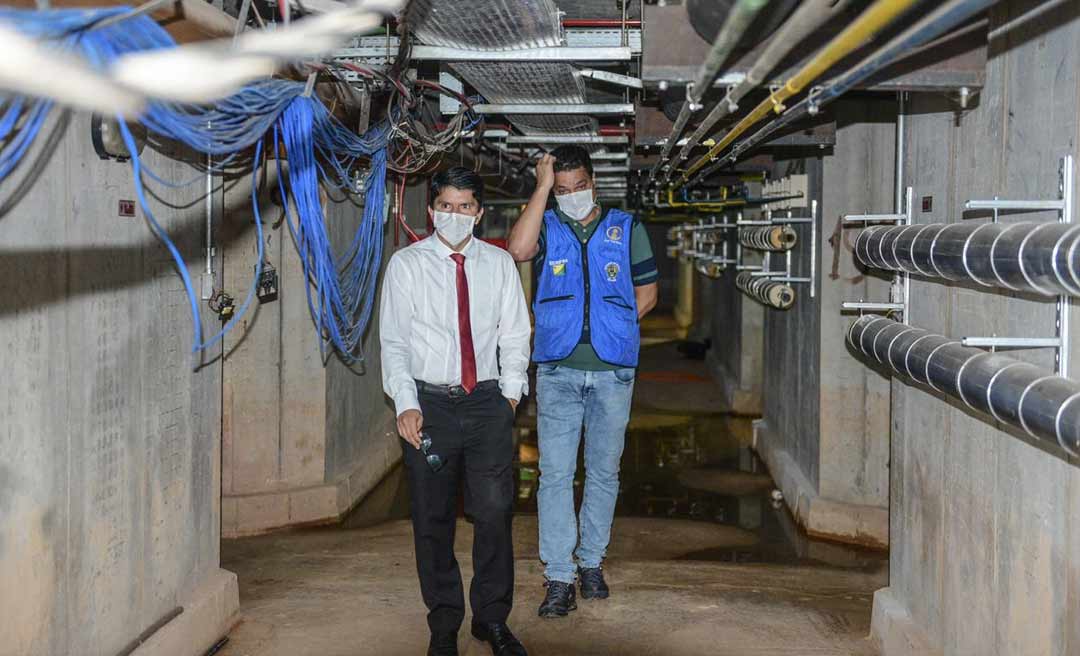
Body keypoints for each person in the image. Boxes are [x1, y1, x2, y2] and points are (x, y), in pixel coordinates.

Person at [380, 166, 531, 656]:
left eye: (465, 206)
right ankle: (444, 623)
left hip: (488, 403)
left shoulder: (499, 264)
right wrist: (405, 402)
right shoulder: (407, 266)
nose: (455, 215)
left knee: (493, 513)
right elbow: (394, 342)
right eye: (445, 205)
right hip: (431, 406)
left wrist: (510, 396)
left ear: (479, 212)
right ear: (431, 210)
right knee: (432, 518)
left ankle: (492, 620)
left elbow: (515, 333)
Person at [507, 146, 659, 618]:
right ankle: (558, 576)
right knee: (554, 475)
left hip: (613, 371)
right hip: (557, 370)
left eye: (579, 187)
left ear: (594, 183)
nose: (572, 196)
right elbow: (517, 250)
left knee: (603, 472)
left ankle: (591, 562)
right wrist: (542, 187)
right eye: (563, 189)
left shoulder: (627, 227)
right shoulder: (548, 225)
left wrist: (613, 331)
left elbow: (647, 293)